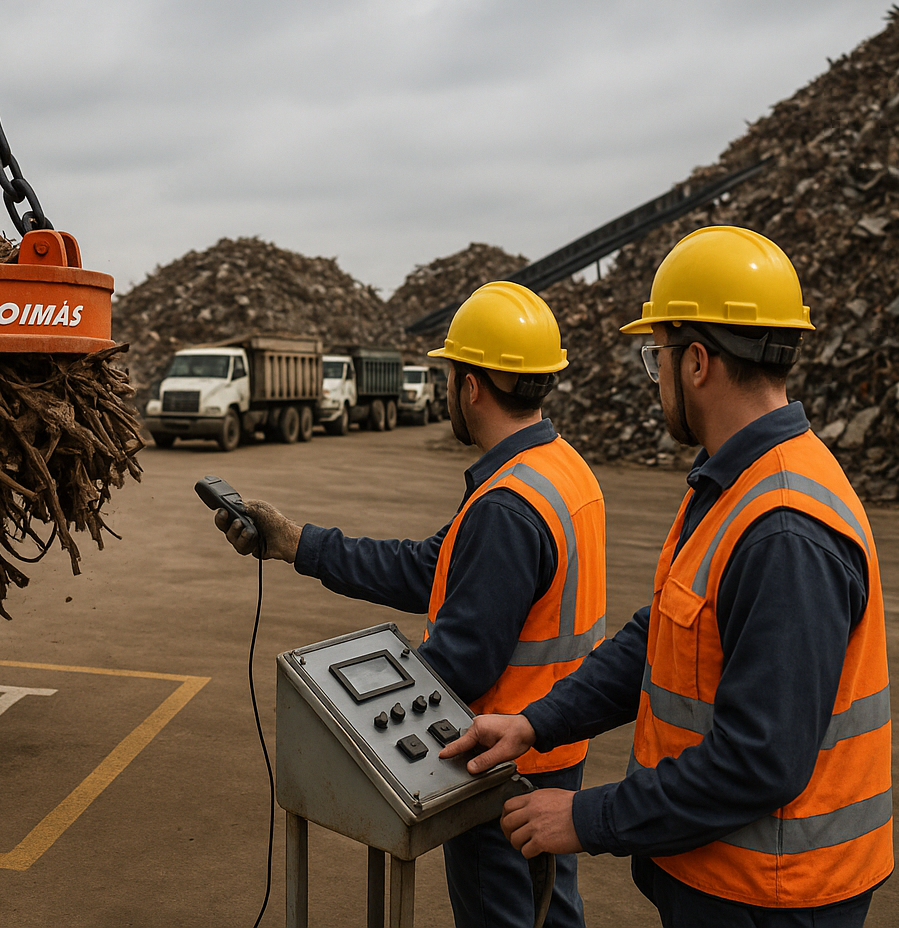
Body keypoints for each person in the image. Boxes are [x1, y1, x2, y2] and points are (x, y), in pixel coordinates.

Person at [438, 226, 893, 928]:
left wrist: (586, 817)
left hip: (774, 896)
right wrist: (536, 723)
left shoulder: (783, 529)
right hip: (728, 879)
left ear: (699, 362)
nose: (658, 382)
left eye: (659, 358)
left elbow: (758, 763)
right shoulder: (731, 484)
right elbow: (662, 634)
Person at [213, 282, 606, 928]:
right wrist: (296, 543)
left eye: (450, 373)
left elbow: (461, 665)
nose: (447, 387)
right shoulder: (561, 470)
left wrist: (367, 701)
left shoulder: (507, 507)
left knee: (505, 915)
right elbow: (430, 569)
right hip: (551, 755)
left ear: (471, 387)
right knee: (548, 913)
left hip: (494, 772)